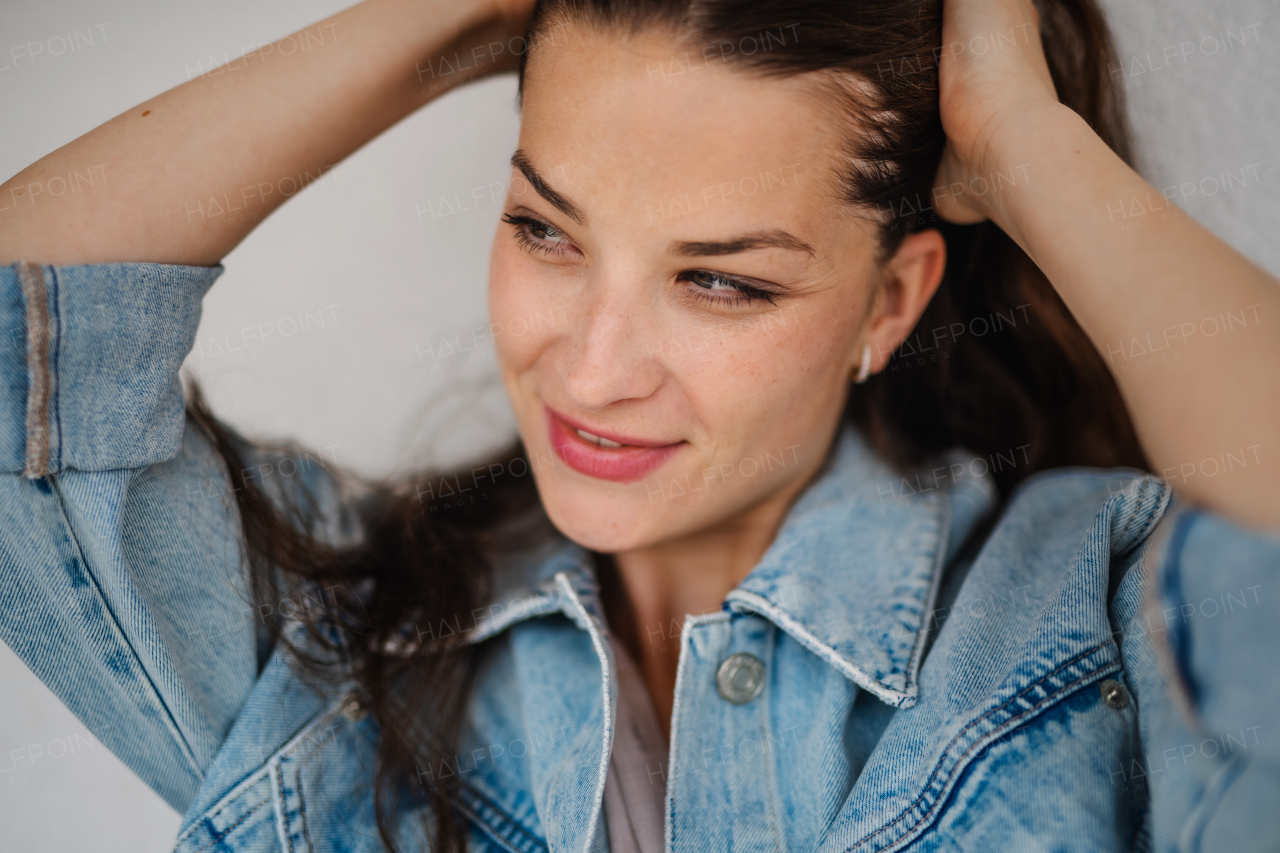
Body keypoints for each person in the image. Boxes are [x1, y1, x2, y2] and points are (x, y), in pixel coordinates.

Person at [1, 0, 1277, 850]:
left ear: (889, 304)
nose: (593, 371)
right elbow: (25, 355)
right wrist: (468, 15)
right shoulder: (349, 645)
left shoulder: (1082, 615)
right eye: (544, 231)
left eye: (720, 280)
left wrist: (1023, 146)